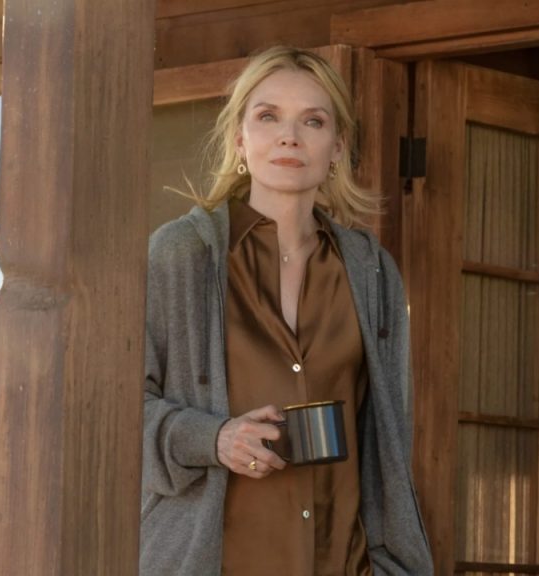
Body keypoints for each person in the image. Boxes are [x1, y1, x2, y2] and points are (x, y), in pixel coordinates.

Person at [140, 46, 432, 576]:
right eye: (268, 116)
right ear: (239, 139)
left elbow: (389, 436)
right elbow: (117, 410)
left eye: (313, 121)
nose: (289, 136)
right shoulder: (180, 255)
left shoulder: (372, 272)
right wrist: (214, 438)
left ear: (338, 146)